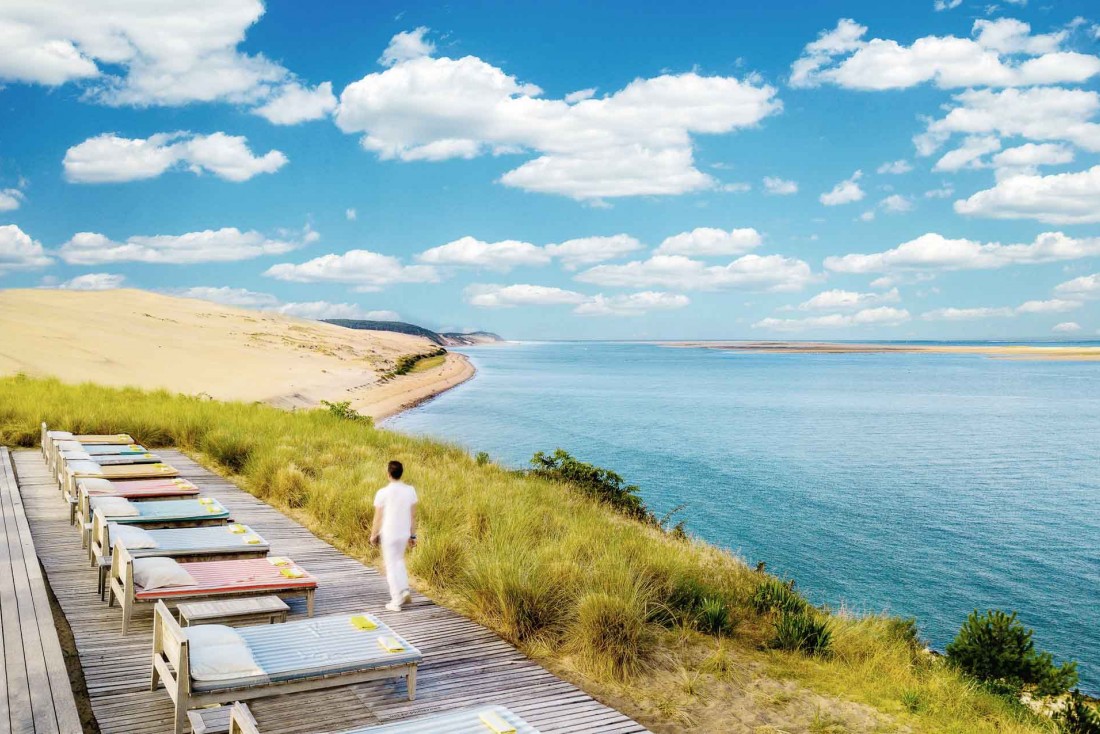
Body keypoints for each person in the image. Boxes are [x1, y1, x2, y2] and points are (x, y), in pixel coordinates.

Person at [370, 460, 418, 612]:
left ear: (388, 474)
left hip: (389, 533)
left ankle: (396, 601)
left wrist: (373, 535)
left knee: (390, 566)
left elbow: (377, 518)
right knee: (399, 561)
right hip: (403, 533)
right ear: (401, 473)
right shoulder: (410, 490)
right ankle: (404, 589)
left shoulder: (382, 493)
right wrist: (413, 536)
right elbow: (413, 516)